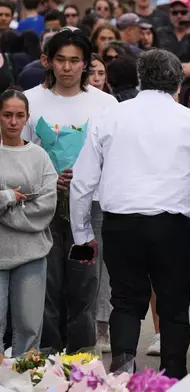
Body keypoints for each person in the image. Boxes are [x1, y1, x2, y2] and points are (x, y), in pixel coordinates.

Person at [69, 48, 190, 378]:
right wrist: (186, 217)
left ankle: (122, 375)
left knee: (125, 302)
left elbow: (82, 182)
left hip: (121, 223)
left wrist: (83, 235)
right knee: (174, 305)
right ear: (179, 82)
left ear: (140, 78)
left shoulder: (111, 117)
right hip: (172, 222)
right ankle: (173, 377)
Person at [20, 28, 117, 354]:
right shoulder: (30, 100)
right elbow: (16, 154)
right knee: (47, 285)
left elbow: (116, 159)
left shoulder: (106, 104)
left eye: (75, 60)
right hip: (43, 208)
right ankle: (46, 357)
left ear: (86, 64)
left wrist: (89, 176)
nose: (67, 67)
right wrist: (48, 180)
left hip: (91, 210)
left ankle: (81, 359)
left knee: (85, 286)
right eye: (60, 59)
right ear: (48, 61)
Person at [0, 88, 57, 356]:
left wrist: (4, 210)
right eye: (7, 115)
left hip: (32, 252)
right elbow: (32, 203)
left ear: (27, 118)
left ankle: (23, 380)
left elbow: (46, 205)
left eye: (19, 115)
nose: (13, 121)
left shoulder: (40, 157)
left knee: (29, 326)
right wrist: (11, 196)